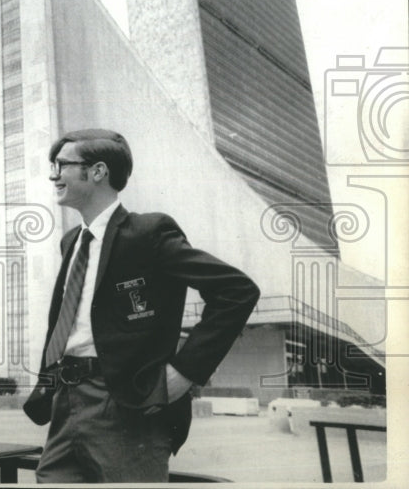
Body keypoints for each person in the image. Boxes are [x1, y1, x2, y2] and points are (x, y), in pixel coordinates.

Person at [24, 129, 260, 483]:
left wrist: (185, 372)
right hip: (66, 399)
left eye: (62, 165)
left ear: (98, 171)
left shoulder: (147, 233)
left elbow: (237, 291)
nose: (53, 174)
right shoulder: (71, 241)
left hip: (125, 404)